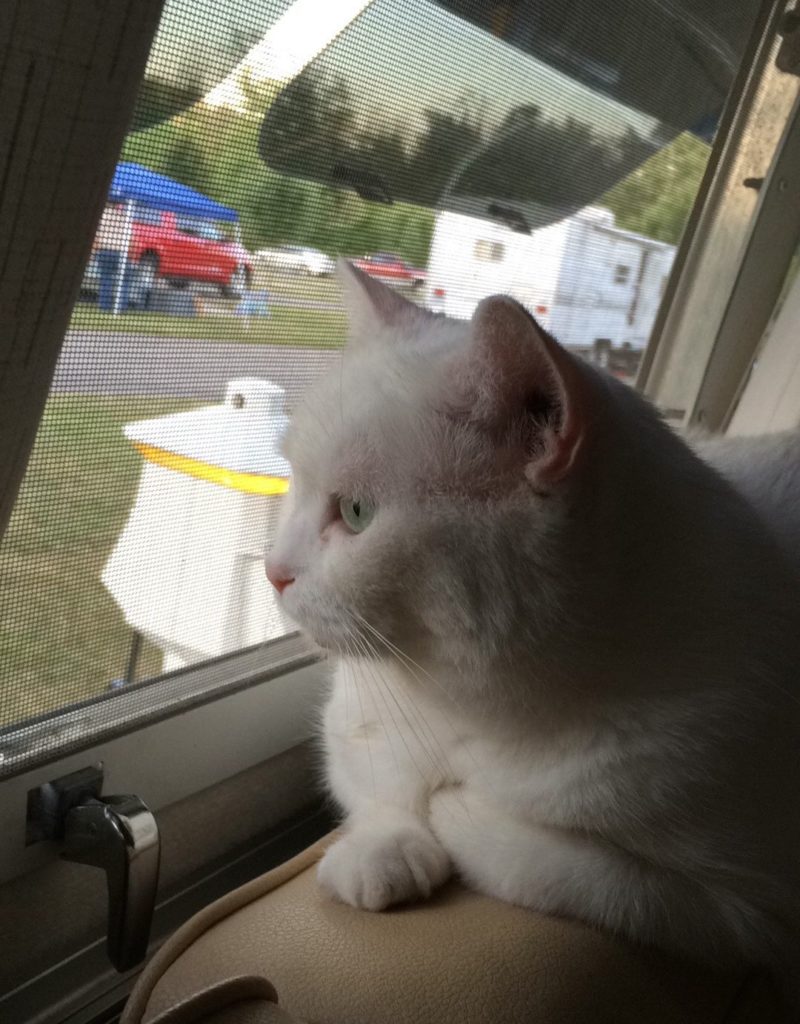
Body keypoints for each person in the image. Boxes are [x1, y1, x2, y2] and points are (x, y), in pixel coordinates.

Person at [93, 202, 130, 312]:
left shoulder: (103, 214)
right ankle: (121, 306)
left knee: (105, 278)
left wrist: (95, 250)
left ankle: (104, 306)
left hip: (105, 250)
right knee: (124, 279)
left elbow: (97, 234)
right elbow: (129, 236)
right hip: (120, 252)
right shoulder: (123, 216)